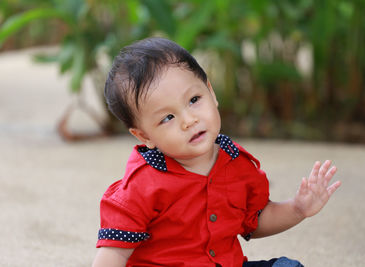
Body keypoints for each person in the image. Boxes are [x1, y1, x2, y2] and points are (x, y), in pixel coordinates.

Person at [92, 37, 341, 267]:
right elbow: (114, 252)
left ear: (211, 92)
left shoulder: (236, 163)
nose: (188, 120)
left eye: (194, 100)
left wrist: (297, 209)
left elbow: (254, 219)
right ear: (145, 136)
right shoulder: (141, 186)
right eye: (168, 117)